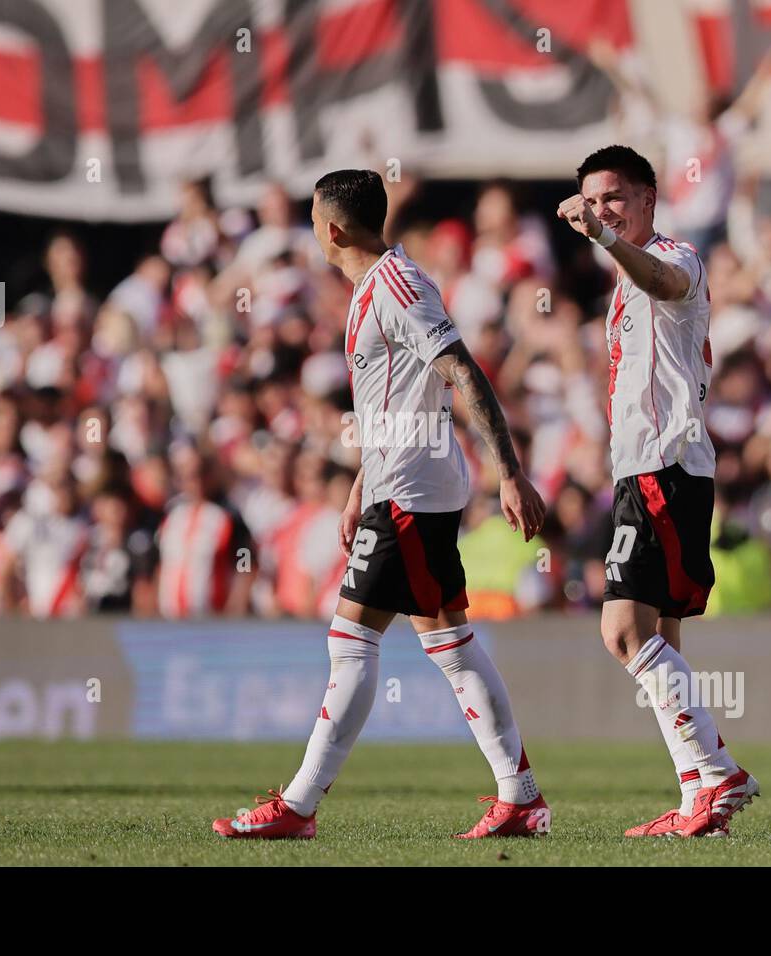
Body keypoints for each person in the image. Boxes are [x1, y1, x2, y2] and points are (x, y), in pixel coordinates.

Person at [213, 169, 549, 840]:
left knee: (351, 639)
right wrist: (360, 487)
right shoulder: (376, 288)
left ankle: (299, 807)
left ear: (333, 229)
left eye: (312, 219)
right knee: (449, 642)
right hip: (399, 482)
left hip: (414, 491)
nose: (311, 231)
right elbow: (396, 402)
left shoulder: (398, 286)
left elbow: (463, 373)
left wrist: (509, 473)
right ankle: (519, 796)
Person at [556, 145, 759, 838]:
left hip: (664, 469)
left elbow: (667, 285)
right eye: (591, 200)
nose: (601, 211)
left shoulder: (678, 256)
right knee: (662, 640)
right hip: (642, 468)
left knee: (623, 632)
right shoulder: (620, 279)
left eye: (613, 198)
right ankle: (698, 796)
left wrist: (605, 236)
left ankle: (720, 769)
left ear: (648, 198)